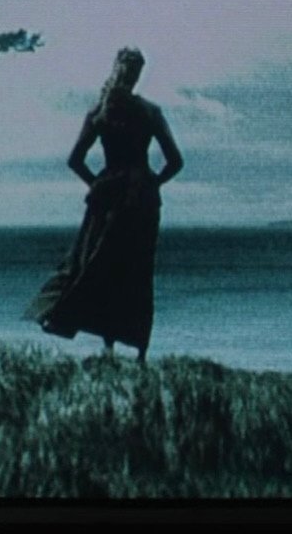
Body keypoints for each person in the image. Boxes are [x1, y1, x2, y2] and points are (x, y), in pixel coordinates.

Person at [22, 47, 183, 364]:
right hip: (138, 200)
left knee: (98, 266)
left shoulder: (101, 112)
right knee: (134, 273)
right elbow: (175, 162)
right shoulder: (148, 112)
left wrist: (98, 183)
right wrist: (152, 182)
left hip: (111, 198)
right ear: (133, 74)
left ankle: (109, 346)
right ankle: (137, 352)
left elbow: (75, 161)